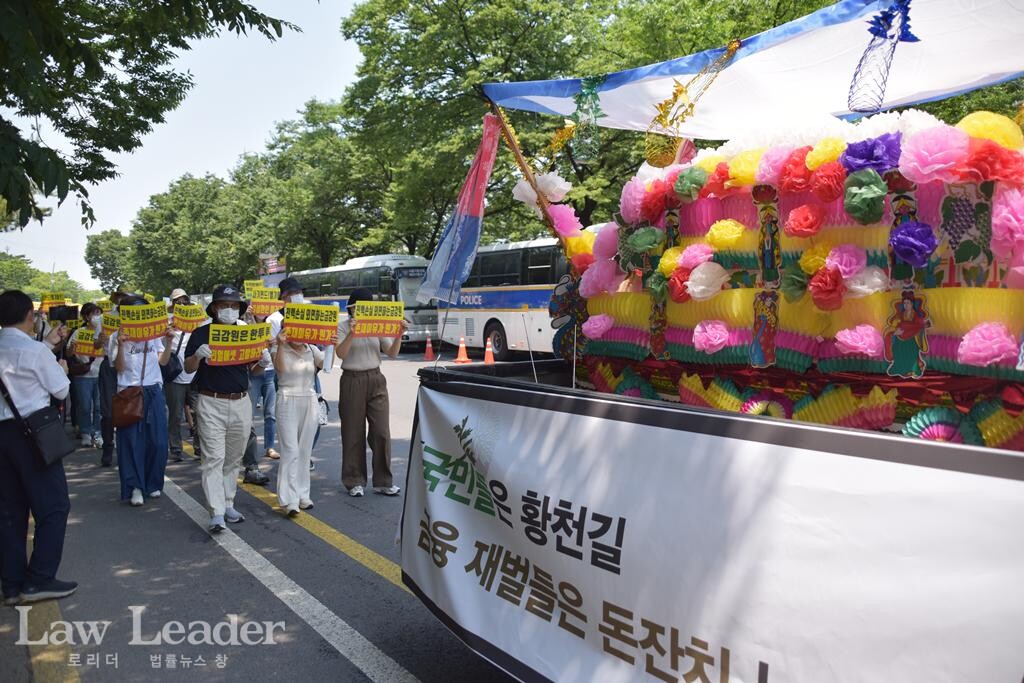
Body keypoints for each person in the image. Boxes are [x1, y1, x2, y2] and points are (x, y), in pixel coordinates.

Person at [0, 290, 76, 604]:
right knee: (54, 507)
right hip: (32, 435)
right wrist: (61, 367)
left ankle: (12, 584)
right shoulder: (34, 351)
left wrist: (47, 346)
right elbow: (60, 390)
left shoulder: (28, 348)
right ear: (31, 317)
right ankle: (40, 579)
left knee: (9, 511)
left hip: (2, 436)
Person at [184, 285, 267, 532]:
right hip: (211, 402)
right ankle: (216, 511)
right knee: (213, 458)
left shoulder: (248, 333)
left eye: (233, 306)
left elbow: (255, 370)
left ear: (239, 309)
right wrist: (198, 356)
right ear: (214, 309)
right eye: (223, 305)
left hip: (241, 401)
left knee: (233, 458)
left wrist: (263, 362)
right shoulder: (200, 334)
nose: (229, 310)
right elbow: (188, 368)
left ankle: (228, 503)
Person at [334, 288, 406, 497]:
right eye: (360, 307)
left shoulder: (377, 326)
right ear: (352, 308)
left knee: (381, 432)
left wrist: (399, 334)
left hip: (376, 378)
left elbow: (392, 352)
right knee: (353, 431)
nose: (365, 311)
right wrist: (352, 333)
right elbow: (340, 353)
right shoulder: (342, 327)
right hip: (352, 379)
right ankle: (354, 480)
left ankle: (383, 480)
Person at [109, 296, 175, 506]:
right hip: (129, 392)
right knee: (131, 442)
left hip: (154, 390)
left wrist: (169, 342)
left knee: (158, 441)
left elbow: (162, 361)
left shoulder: (153, 335)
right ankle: (135, 486)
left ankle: (153, 482)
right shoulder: (116, 337)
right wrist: (120, 345)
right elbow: (118, 368)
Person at [273, 328, 327, 515]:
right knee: (290, 450)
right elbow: (280, 369)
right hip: (287, 398)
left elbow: (326, 366)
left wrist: (332, 344)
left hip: (309, 398)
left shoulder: (311, 349)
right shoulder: (278, 347)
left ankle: (303, 495)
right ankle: (289, 500)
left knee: (304, 449)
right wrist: (280, 344)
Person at [96, 289, 129, 466]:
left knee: (130, 409)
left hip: (129, 368)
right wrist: (100, 340)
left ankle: (126, 447)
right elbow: (96, 345)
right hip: (109, 366)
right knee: (108, 411)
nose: (122, 300)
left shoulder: (135, 317)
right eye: (119, 298)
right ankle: (108, 448)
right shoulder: (105, 318)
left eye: (125, 297)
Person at [66, 304, 104, 448]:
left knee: (100, 406)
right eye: (95, 314)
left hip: (100, 374)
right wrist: (72, 348)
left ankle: (98, 433)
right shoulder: (78, 332)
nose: (97, 317)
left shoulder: (104, 332)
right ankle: (86, 433)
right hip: (83, 375)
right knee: (85, 406)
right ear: (87, 317)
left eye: (100, 314)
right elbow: (69, 353)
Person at [165, 289, 196, 462]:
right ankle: (176, 449)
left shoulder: (197, 323)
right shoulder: (167, 324)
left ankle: (199, 448)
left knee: (199, 413)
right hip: (175, 376)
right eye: (178, 302)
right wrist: (168, 333)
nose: (182, 304)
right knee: (176, 415)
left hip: (195, 375)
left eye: (184, 301)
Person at [249, 310, 278, 461]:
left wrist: (275, 342)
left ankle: (270, 447)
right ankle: (247, 450)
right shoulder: (245, 324)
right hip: (254, 372)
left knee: (270, 413)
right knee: (249, 414)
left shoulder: (272, 323)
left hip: (270, 373)